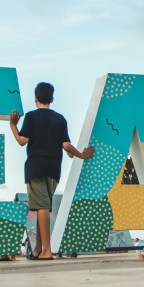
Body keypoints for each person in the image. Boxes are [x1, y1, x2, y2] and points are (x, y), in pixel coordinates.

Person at [9, 82, 95, 260]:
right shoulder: (60, 119)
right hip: (54, 168)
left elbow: (22, 141)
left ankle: (46, 251)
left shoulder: (31, 117)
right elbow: (66, 145)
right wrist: (81, 155)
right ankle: (39, 248)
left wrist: (13, 126)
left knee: (41, 207)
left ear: (35, 98)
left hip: (35, 167)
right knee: (45, 207)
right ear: (52, 99)